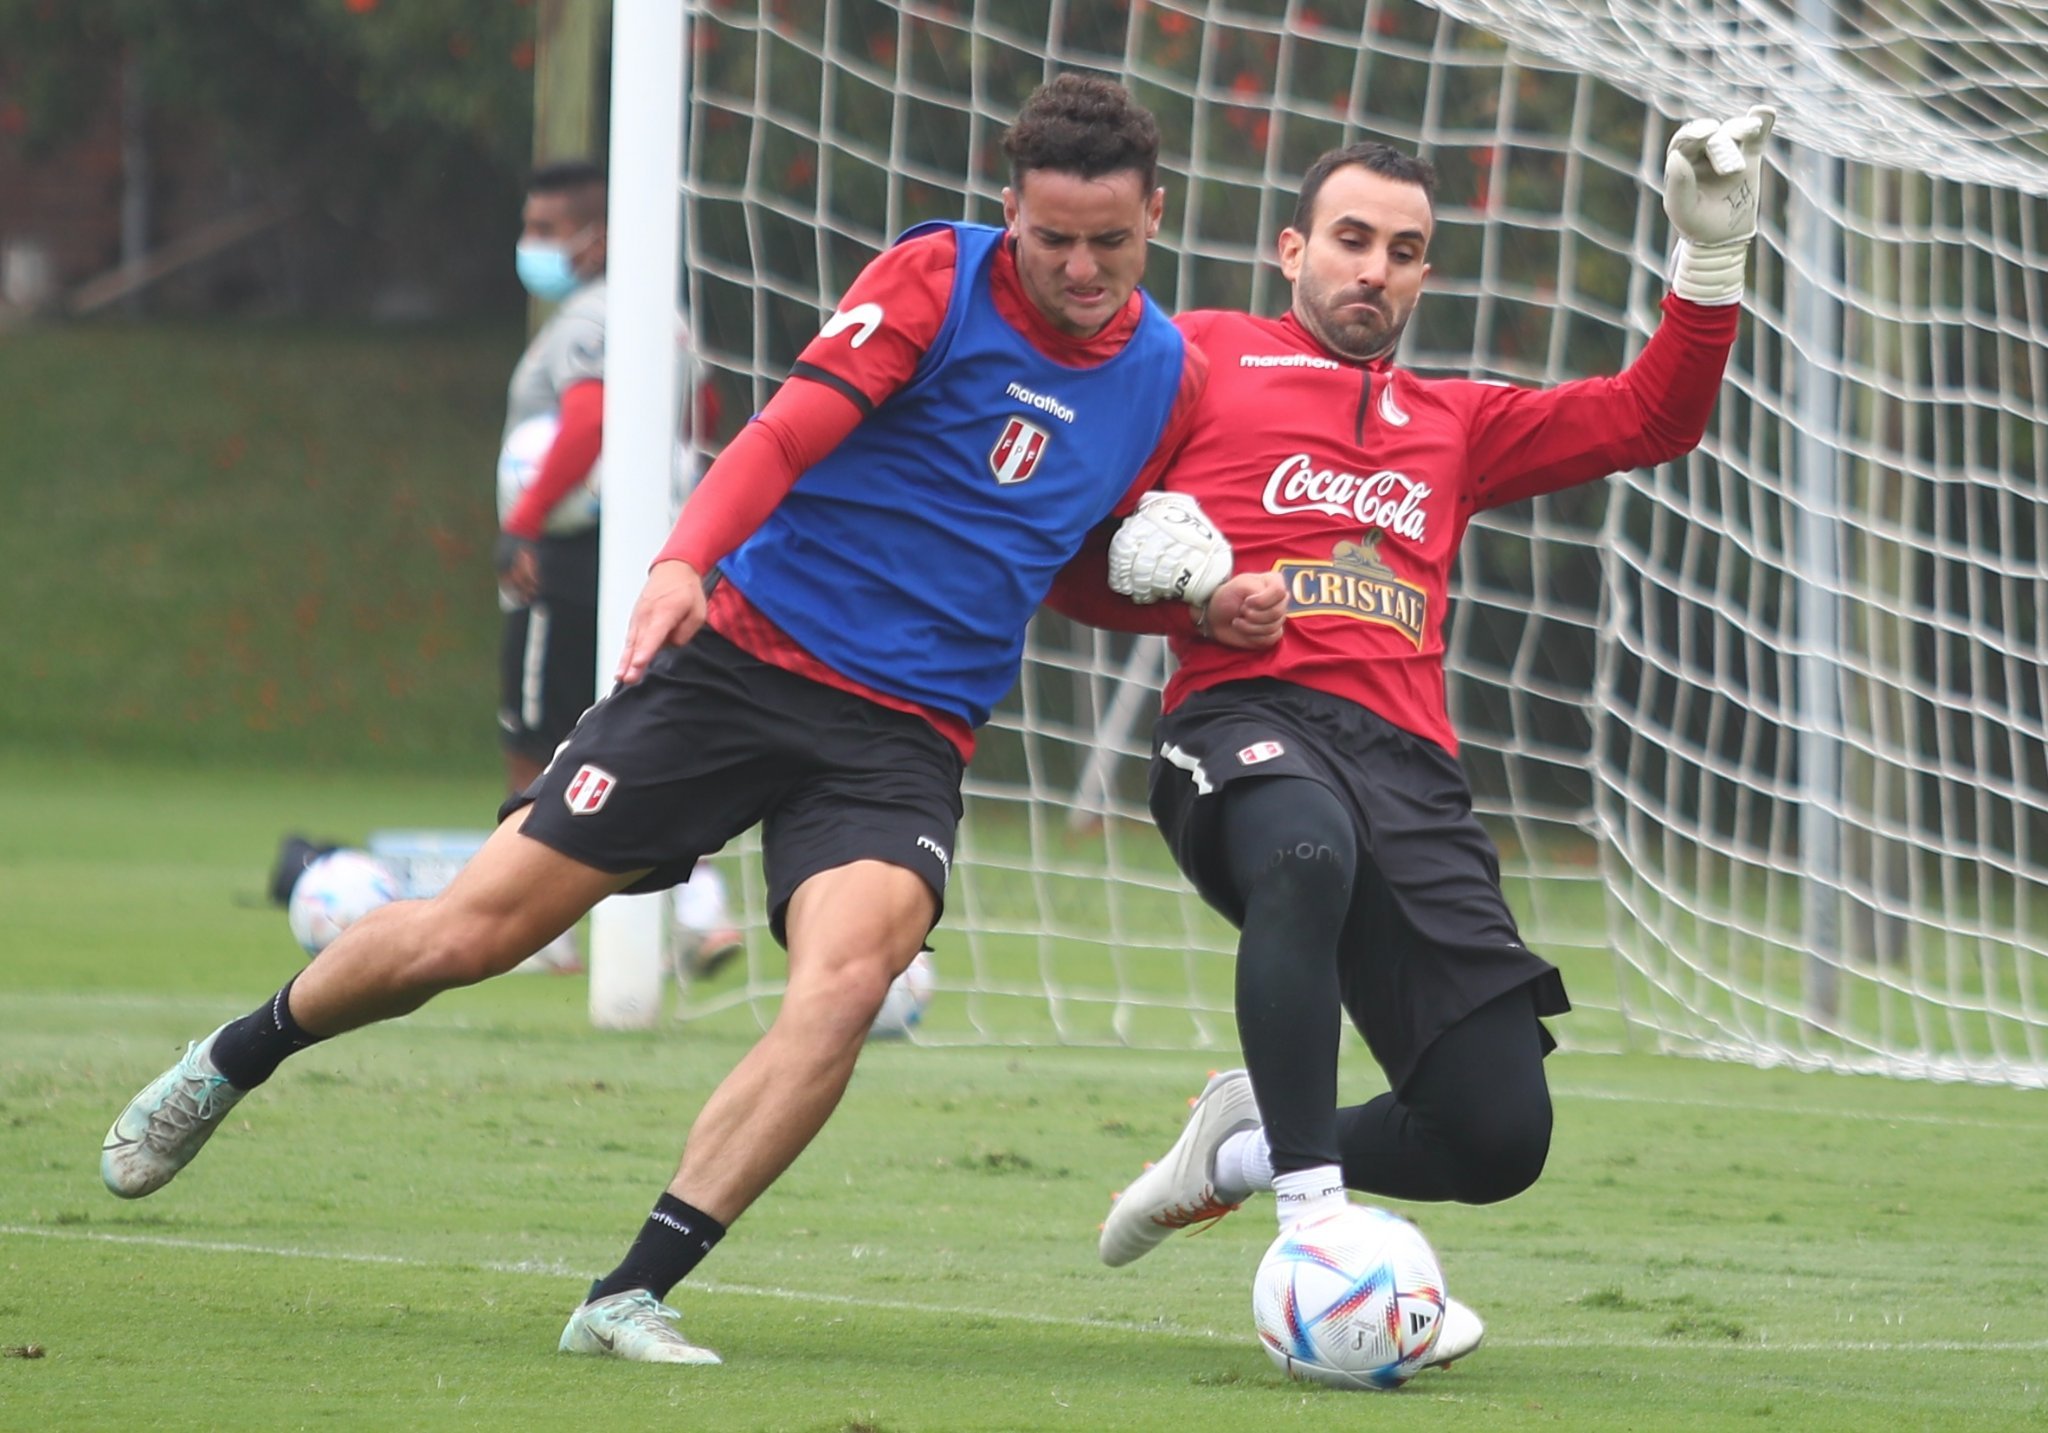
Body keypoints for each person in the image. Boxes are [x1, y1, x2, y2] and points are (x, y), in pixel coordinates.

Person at [98, 74, 1223, 1367]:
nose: (1080, 266)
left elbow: (1070, 570)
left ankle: (629, 1291)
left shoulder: (1163, 378)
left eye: (1111, 243)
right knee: (472, 934)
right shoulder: (936, 282)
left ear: (1156, 220)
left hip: (902, 735)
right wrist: (684, 561)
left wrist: (1184, 597)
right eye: (1052, 238)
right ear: (1008, 211)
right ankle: (233, 1058)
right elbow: (783, 436)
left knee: (850, 979)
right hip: (738, 666)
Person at [1064, 107, 1777, 1369]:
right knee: (1300, 852)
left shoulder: (1456, 420)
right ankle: (1311, 1230)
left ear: (1422, 272)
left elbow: (1651, 418)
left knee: (1495, 1136)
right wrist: (1177, 593)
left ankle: (1234, 1149)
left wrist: (1706, 258)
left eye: (1402, 249)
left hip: (1410, 775)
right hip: (1240, 721)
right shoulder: (1197, 358)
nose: (1372, 269)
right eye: (1349, 240)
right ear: (1292, 248)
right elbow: (1066, 540)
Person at [496, 159, 738, 975]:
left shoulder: (589, 318)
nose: (530, 245)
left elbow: (590, 419)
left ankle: (533, 927)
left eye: (545, 230)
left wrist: (523, 525)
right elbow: (703, 417)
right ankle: (701, 914)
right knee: (655, 729)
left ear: (596, 237)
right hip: (662, 554)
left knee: (535, 733)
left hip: (571, 555)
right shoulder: (666, 316)